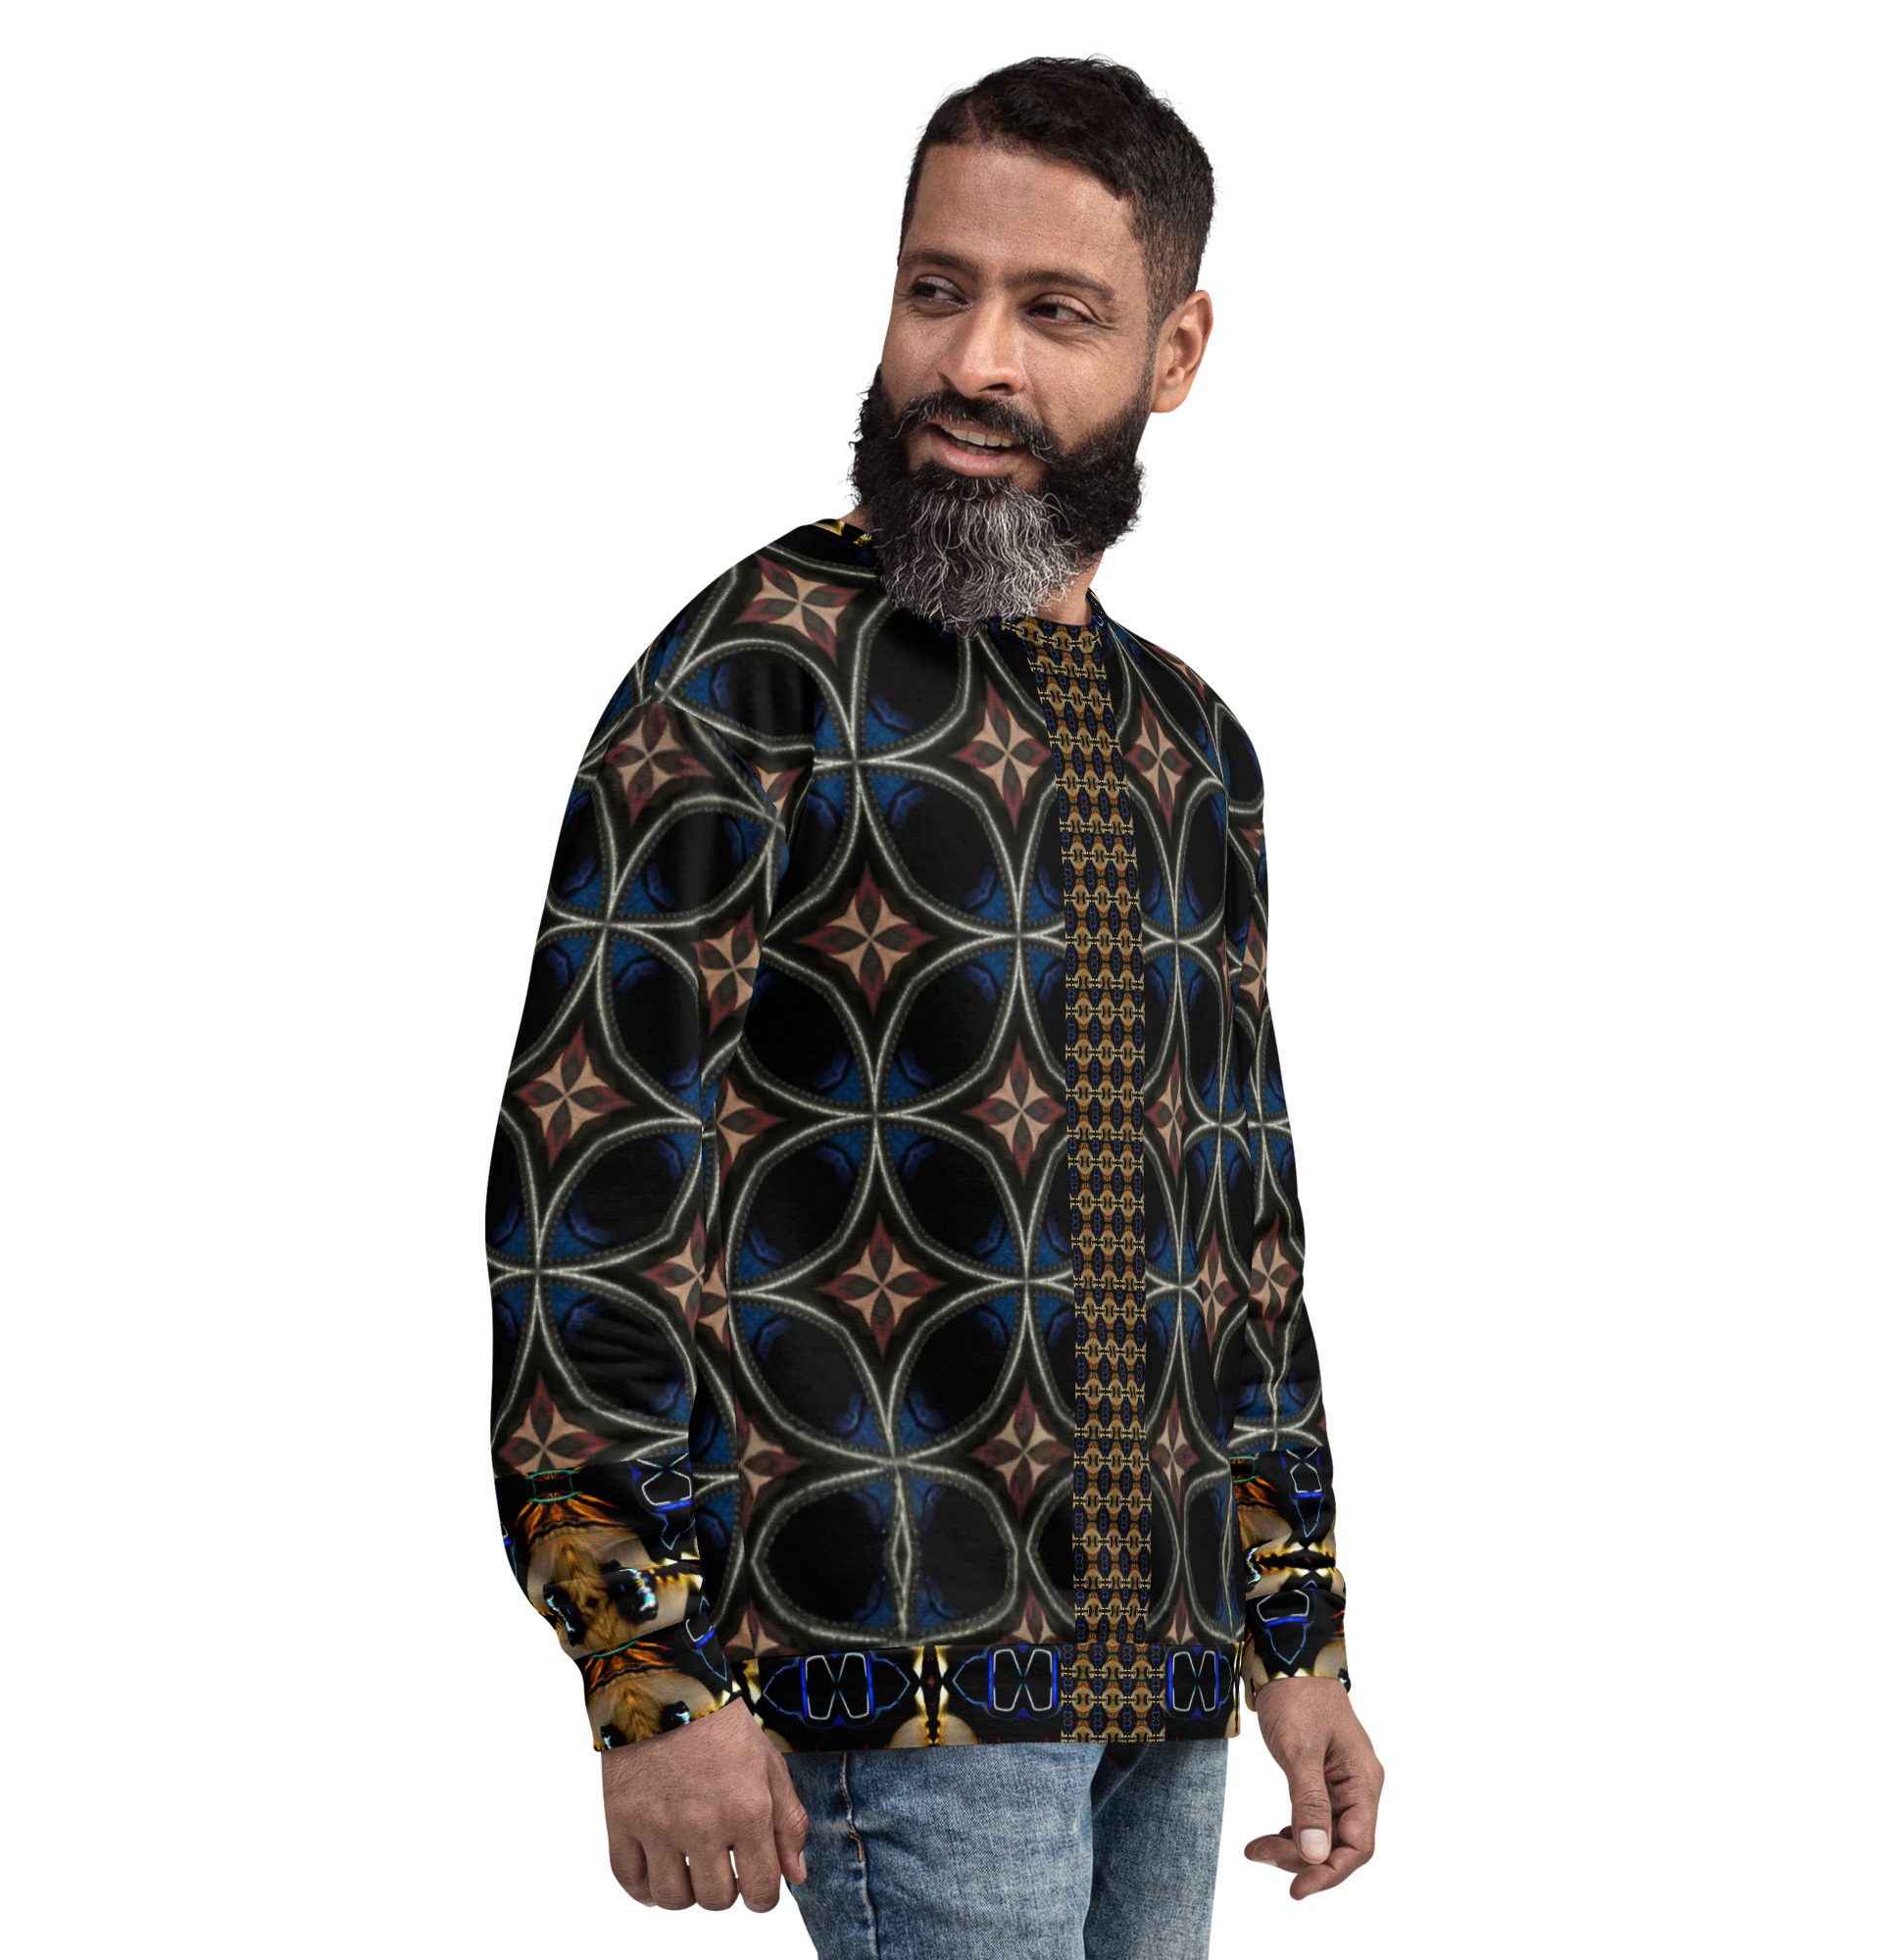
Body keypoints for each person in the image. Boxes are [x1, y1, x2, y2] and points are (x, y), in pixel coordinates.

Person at [484, 53, 1384, 1957]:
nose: (972, 363)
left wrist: (1296, 1634)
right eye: (934, 290)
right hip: (887, 1677)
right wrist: (643, 1667)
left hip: (1164, 1691)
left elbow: (1244, 1226)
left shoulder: (1195, 748)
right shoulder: (756, 670)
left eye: (1056, 312)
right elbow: (589, 1189)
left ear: (1174, 351)